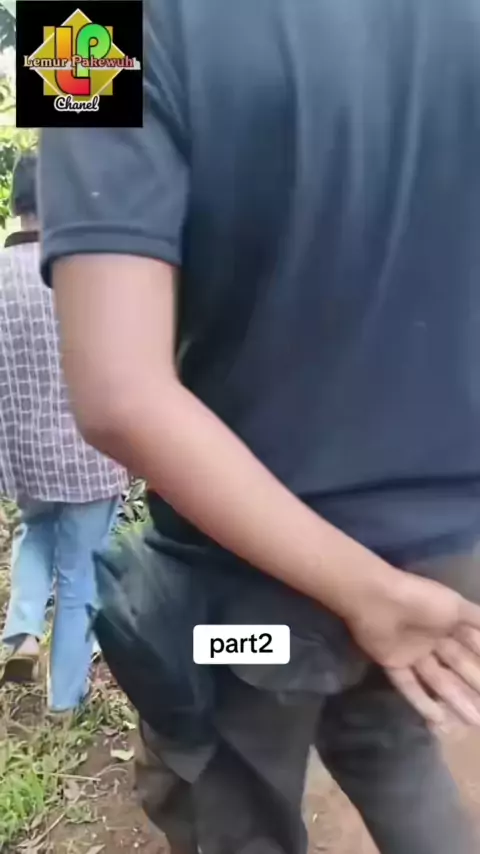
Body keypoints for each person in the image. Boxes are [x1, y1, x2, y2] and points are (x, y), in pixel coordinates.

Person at [38, 0, 480, 850]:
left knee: (221, 785)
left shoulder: (85, 24)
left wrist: (366, 593)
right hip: (444, 560)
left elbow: (118, 395)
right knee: (384, 732)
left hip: (254, 602)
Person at [0, 153, 128, 713]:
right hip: (89, 453)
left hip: (24, 454)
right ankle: (65, 700)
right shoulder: (87, 275)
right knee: (80, 577)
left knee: (35, 532)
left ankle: (22, 630)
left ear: (16, 206)